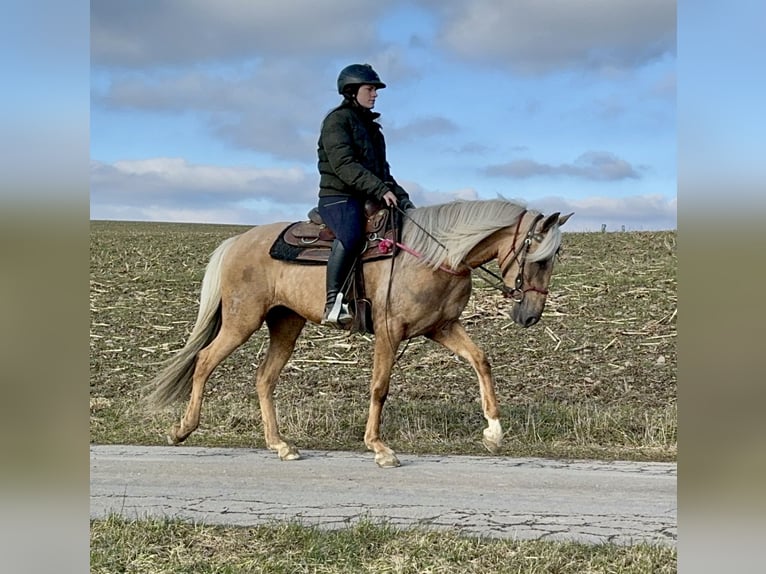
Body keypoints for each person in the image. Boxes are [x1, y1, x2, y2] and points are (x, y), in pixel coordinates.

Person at [316, 63, 415, 327]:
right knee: (351, 234)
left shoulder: (373, 129)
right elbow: (344, 165)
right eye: (370, 88)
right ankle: (333, 302)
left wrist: (402, 197)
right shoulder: (337, 121)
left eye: (375, 89)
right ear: (351, 91)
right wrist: (380, 190)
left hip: (367, 195)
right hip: (338, 197)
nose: (375, 94)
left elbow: (383, 172)